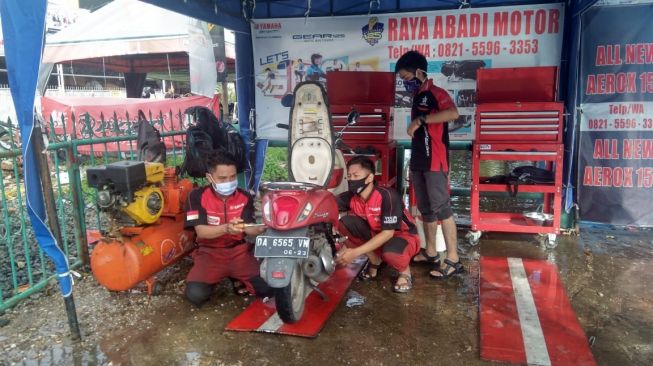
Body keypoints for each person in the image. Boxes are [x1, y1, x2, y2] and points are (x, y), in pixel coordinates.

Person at [395, 50, 464, 280]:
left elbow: (453, 113)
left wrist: (421, 119)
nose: (405, 84)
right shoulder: (417, 96)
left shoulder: (436, 92)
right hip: (419, 160)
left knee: (442, 209)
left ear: (418, 72)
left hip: (435, 160)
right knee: (425, 209)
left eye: (406, 78)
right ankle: (431, 252)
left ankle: (453, 259)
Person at [183, 151, 271, 306]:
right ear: (210, 177)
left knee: (268, 289)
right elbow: (201, 231)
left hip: (239, 252)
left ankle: (236, 276)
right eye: (222, 178)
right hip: (209, 253)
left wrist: (259, 228)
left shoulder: (244, 196)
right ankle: (225, 276)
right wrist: (226, 228)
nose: (229, 182)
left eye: (232, 177)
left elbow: (247, 227)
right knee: (195, 295)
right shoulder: (196, 196)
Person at [335, 156, 420, 293]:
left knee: (391, 253)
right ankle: (375, 260)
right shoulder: (350, 197)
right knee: (344, 223)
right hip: (375, 234)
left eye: (356, 175)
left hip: (403, 237)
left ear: (369, 178)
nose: (351, 180)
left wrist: (354, 253)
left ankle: (405, 272)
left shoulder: (388, 196)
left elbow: (388, 233)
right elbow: (327, 205)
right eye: (349, 176)